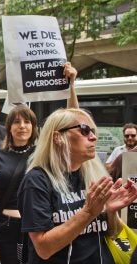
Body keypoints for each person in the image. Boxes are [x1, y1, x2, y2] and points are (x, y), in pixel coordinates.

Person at [0, 63, 79, 264]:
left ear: (34, 127)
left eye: (27, 122)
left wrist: (71, 85)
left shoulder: (43, 153)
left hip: (41, 229)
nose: (22, 126)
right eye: (17, 122)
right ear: (9, 128)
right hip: (6, 229)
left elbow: (73, 125)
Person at [17, 108, 137, 263]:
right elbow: (44, 248)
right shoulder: (37, 181)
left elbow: (113, 234)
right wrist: (88, 213)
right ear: (57, 137)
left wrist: (111, 212)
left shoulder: (92, 175)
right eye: (85, 130)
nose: (93, 137)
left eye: (93, 131)